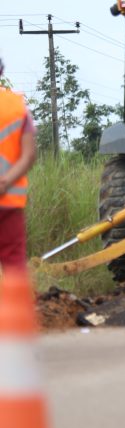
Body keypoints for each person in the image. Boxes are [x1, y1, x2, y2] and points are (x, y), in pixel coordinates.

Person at [0, 57, 37, 273]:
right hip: (8, 200)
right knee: (13, 263)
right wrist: (5, 182)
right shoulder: (16, 106)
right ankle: (15, 307)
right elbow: (29, 154)